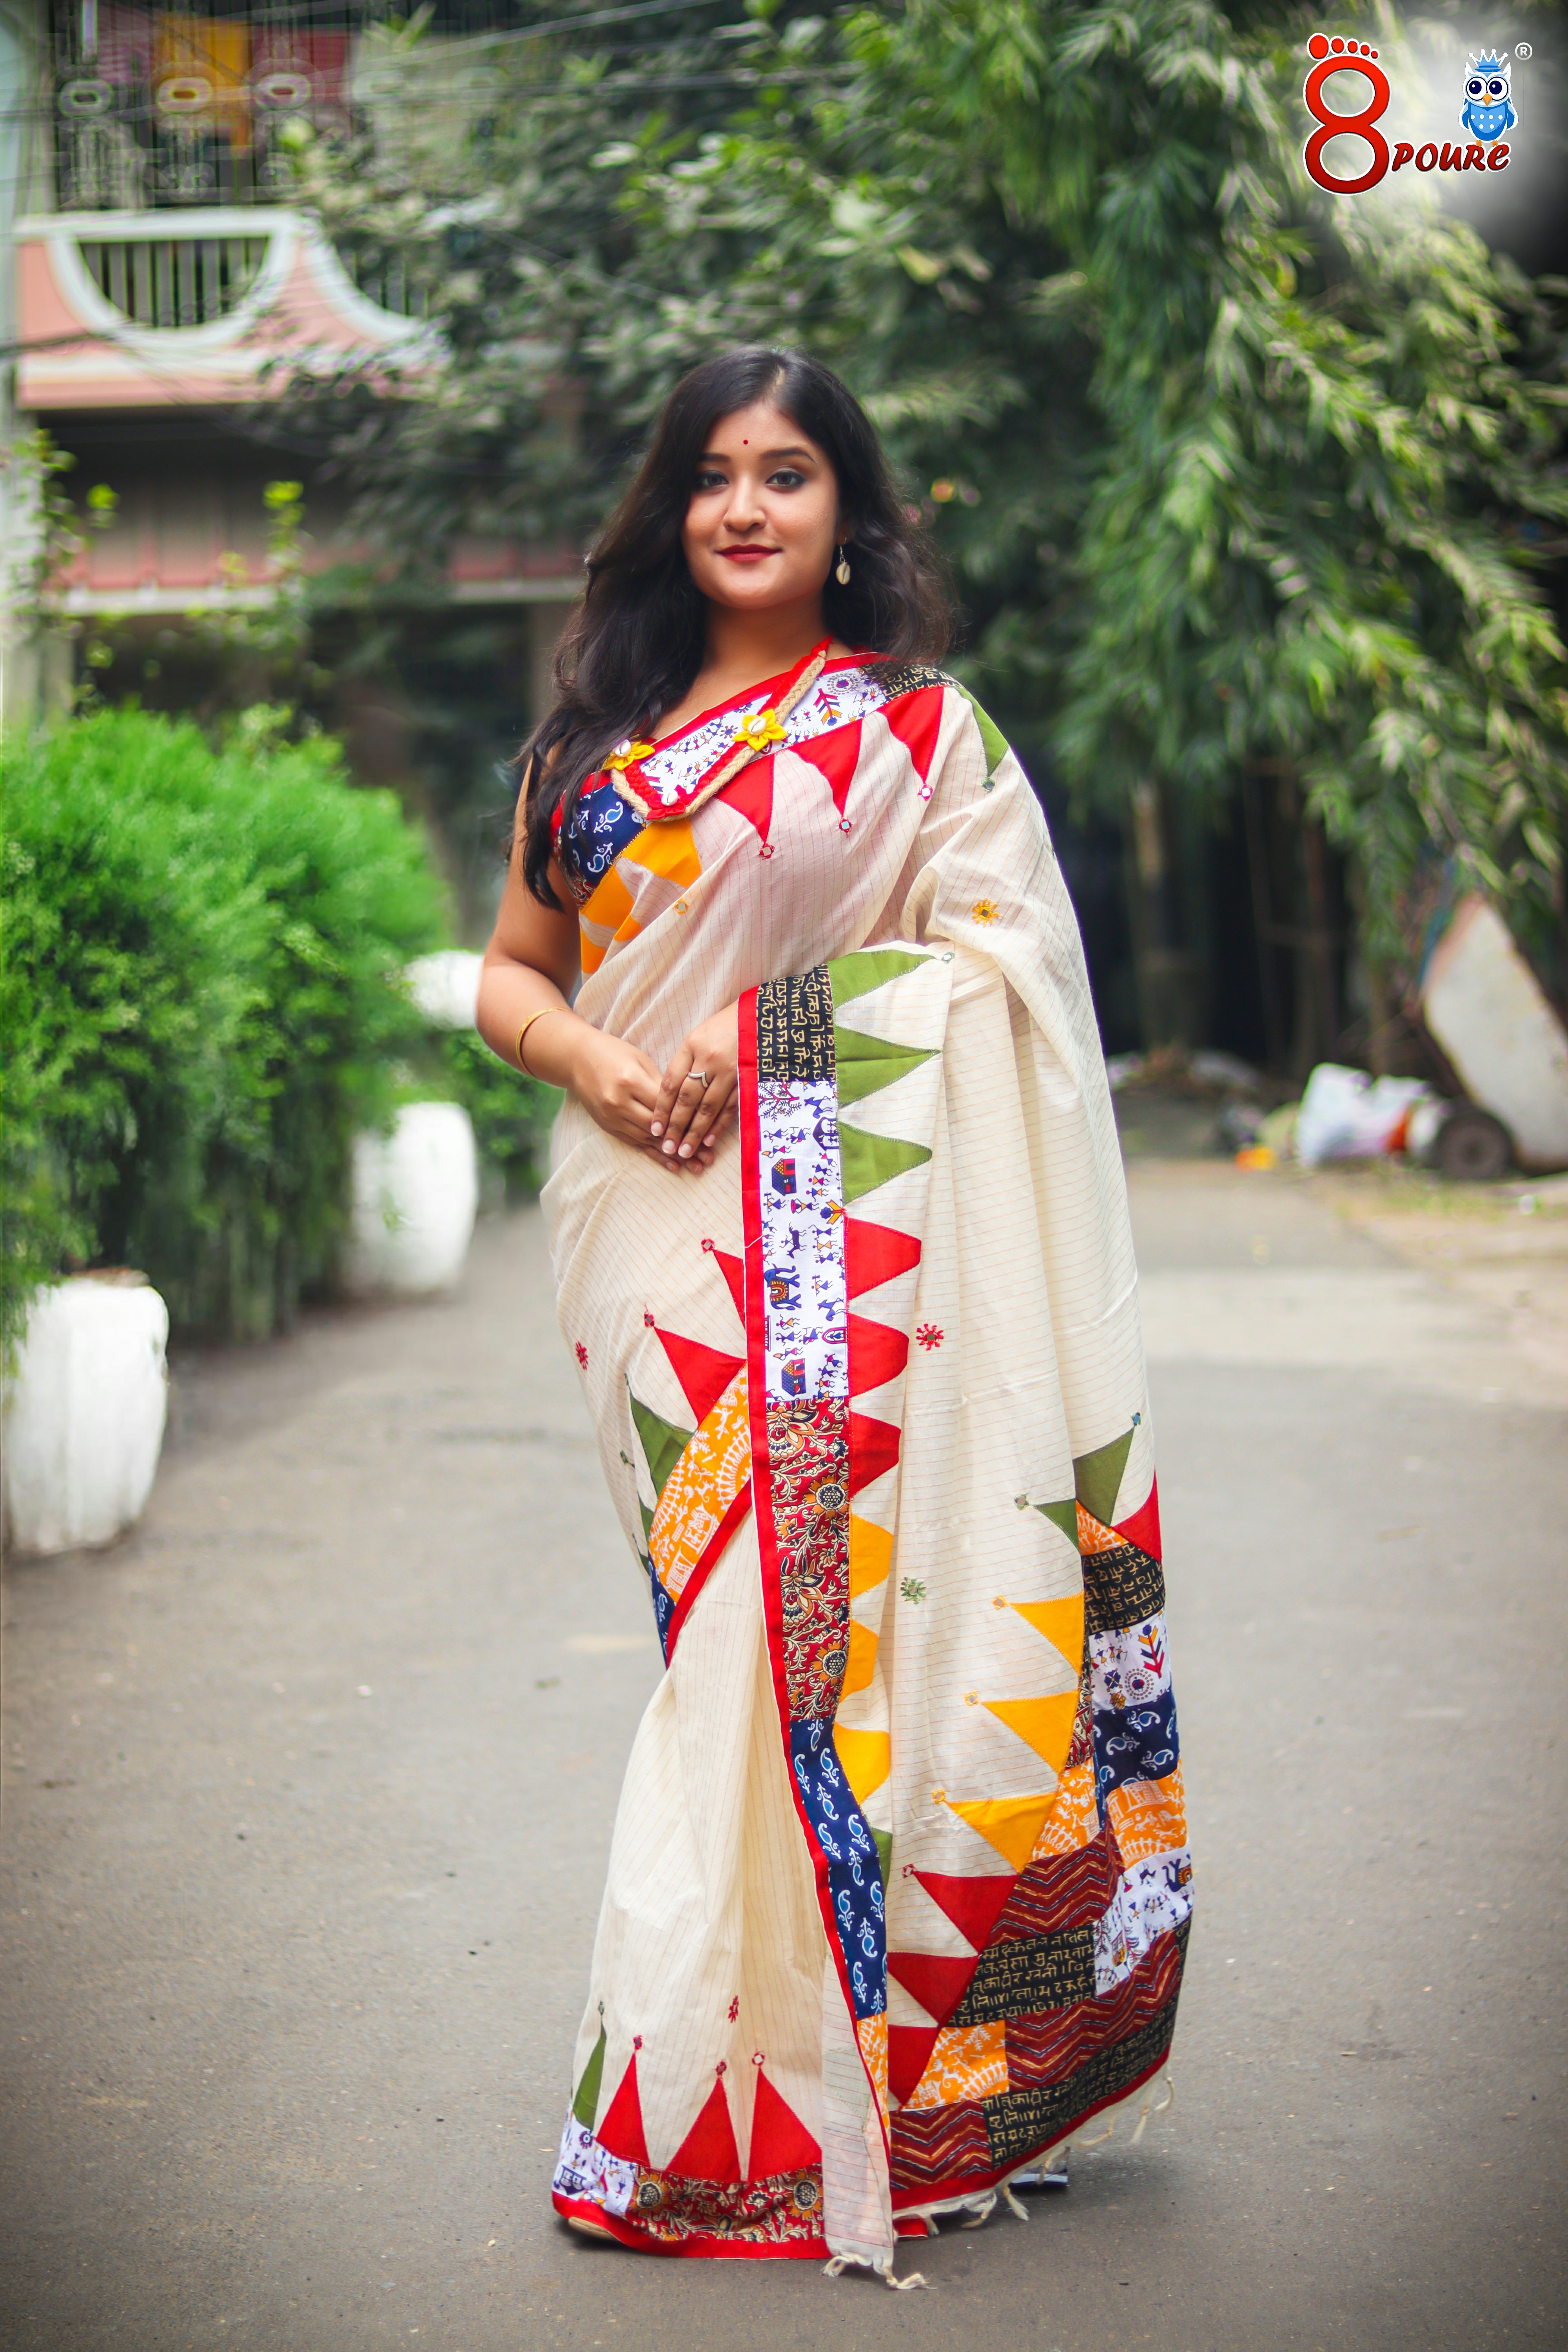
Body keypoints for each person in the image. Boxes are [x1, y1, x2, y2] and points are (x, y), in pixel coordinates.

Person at [476, 348, 1189, 2281]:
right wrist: (598, 1067)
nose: (744, 509)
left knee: (824, 1643)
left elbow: (999, 965)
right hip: (647, 1232)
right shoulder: (595, 750)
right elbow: (513, 975)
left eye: (786, 474)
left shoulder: (917, 732)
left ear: (847, 514)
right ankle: (738, 2089)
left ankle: (779, 2108)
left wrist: (747, 1033)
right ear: (668, 510)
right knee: (723, 1637)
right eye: (711, 476)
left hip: (858, 1221)